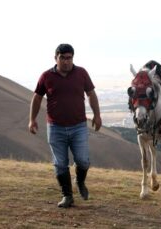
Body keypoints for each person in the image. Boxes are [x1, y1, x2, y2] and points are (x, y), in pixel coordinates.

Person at [28, 43, 102, 208]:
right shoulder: (46, 76)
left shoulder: (81, 73)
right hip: (55, 128)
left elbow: (91, 94)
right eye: (63, 58)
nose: (66, 62)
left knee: (83, 161)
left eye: (69, 58)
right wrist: (32, 119)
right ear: (56, 58)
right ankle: (67, 196)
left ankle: (80, 182)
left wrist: (97, 115)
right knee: (60, 163)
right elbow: (37, 98)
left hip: (79, 126)